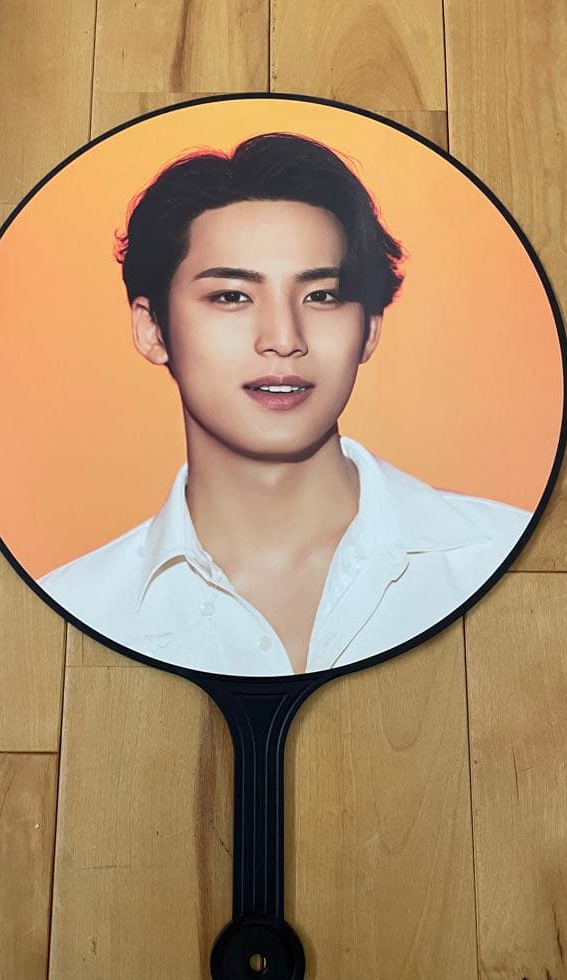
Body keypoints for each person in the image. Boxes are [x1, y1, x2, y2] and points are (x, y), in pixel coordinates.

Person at [38, 132, 532, 676]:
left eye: (322, 296)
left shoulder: (510, 556)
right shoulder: (74, 610)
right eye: (231, 296)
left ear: (369, 329)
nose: (283, 338)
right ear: (152, 329)